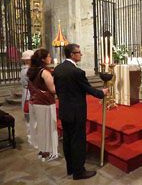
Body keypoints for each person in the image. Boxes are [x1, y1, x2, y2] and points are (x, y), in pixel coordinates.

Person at [53, 43, 108, 180]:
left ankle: (70, 168)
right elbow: (87, 88)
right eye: (79, 52)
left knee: (68, 140)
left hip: (65, 110)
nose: (81, 54)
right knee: (78, 141)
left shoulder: (58, 69)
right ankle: (79, 172)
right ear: (72, 55)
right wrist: (102, 93)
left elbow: (59, 90)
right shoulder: (77, 72)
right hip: (76, 112)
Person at [27, 49, 58, 161]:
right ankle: (48, 151)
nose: (50, 58)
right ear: (43, 59)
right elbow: (53, 89)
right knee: (48, 127)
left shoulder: (32, 70)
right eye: (48, 56)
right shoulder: (44, 72)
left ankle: (42, 148)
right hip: (45, 103)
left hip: (35, 102)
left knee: (40, 126)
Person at [20, 50, 34, 144]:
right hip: (29, 96)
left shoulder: (26, 69)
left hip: (28, 94)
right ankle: (31, 138)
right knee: (30, 119)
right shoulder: (27, 71)